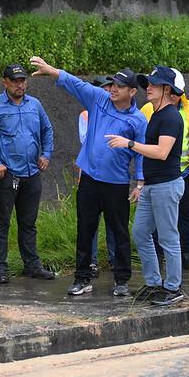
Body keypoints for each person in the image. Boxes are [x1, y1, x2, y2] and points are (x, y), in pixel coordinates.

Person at [29, 56, 147, 298]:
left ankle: (122, 280)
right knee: (85, 228)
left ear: (132, 92)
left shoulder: (138, 120)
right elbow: (76, 83)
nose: (113, 89)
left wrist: (140, 181)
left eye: (120, 87)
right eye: (113, 84)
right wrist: (52, 70)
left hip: (116, 183)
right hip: (90, 180)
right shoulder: (99, 99)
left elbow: (142, 152)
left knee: (119, 230)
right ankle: (82, 278)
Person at [108, 66, 185, 306]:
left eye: (153, 84)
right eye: (147, 84)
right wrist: (142, 183)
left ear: (167, 89)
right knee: (141, 232)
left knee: (168, 237)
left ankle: (173, 288)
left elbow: (162, 152)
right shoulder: (154, 114)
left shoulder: (171, 117)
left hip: (166, 185)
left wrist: (128, 143)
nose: (148, 88)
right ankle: (153, 283)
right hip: (152, 185)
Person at [0, 64, 55, 284]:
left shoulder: (35, 105)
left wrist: (46, 153)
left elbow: (47, 129)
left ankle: (32, 265)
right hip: (6, 174)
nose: (20, 85)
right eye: (15, 81)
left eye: (22, 81)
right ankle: (0, 267)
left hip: (31, 172)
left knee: (29, 222)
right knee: (2, 221)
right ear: (5, 82)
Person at [140, 69, 189, 273]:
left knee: (186, 216)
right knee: (158, 222)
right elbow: (146, 141)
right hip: (160, 175)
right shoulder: (148, 109)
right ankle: (161, 259)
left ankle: (186, 255)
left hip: (185, 172)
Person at [79, 76, 116, 278]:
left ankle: (114, 260)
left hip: (112, 175)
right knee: (89, 222)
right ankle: (90, 263)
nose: (109, 92)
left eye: (110, 88)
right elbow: (87, 140)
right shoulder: (86, 114)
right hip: (90, 173)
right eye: (105, 89)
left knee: (113, 222)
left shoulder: (117, 112)